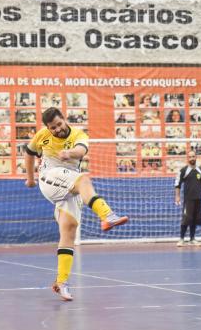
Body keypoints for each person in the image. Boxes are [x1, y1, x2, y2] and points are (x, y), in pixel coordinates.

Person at [25, 107, 128, 301]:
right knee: (84, 181)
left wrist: (70, 153)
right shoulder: (42, 136)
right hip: (50, 177)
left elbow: (81, 150)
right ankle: (107, 215)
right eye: (52, 128)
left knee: (69, 230)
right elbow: (29, 152)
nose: (57, 130)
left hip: (69, 185)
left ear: (64, 120)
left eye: (59, 125)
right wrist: (30, 178)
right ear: (47, 128)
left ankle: (61, 282)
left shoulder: (79, 134)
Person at [174, 150, 201, 247]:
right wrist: (177, 196)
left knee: (194, 220)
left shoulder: (200, 170)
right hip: (188, 200)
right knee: (186, 219)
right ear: (188, 158)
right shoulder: (183, 171)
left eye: (193, 156)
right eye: (190, 157)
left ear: (196, 157)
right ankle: (181, 239)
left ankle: (192, 238)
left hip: (198, 199)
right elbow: (177, 184)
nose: (192, 158)